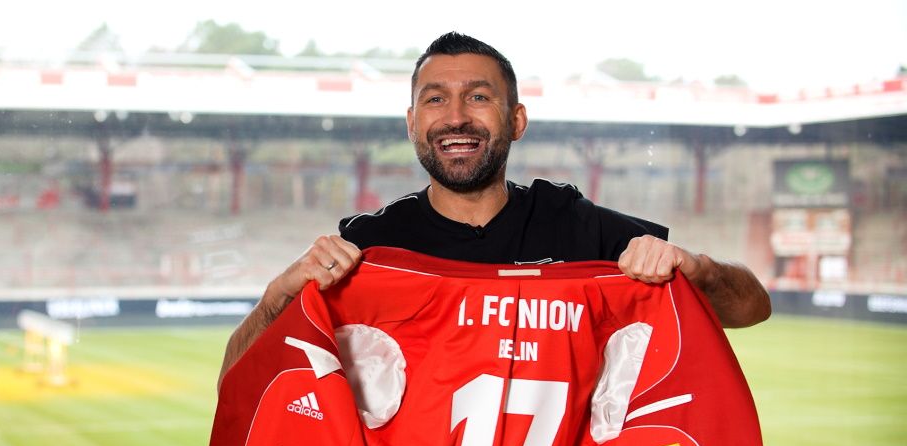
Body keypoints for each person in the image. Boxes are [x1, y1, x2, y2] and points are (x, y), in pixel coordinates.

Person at [219, 32, 771, 381]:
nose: (456, 117)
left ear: (516, 120)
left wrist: (693, 268)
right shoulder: (369, 247)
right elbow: (238, 379)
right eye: (435, 99)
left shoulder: (575, 225)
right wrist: (279, 295)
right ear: (412, 123)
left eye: (478, 97)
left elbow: (750, 308)